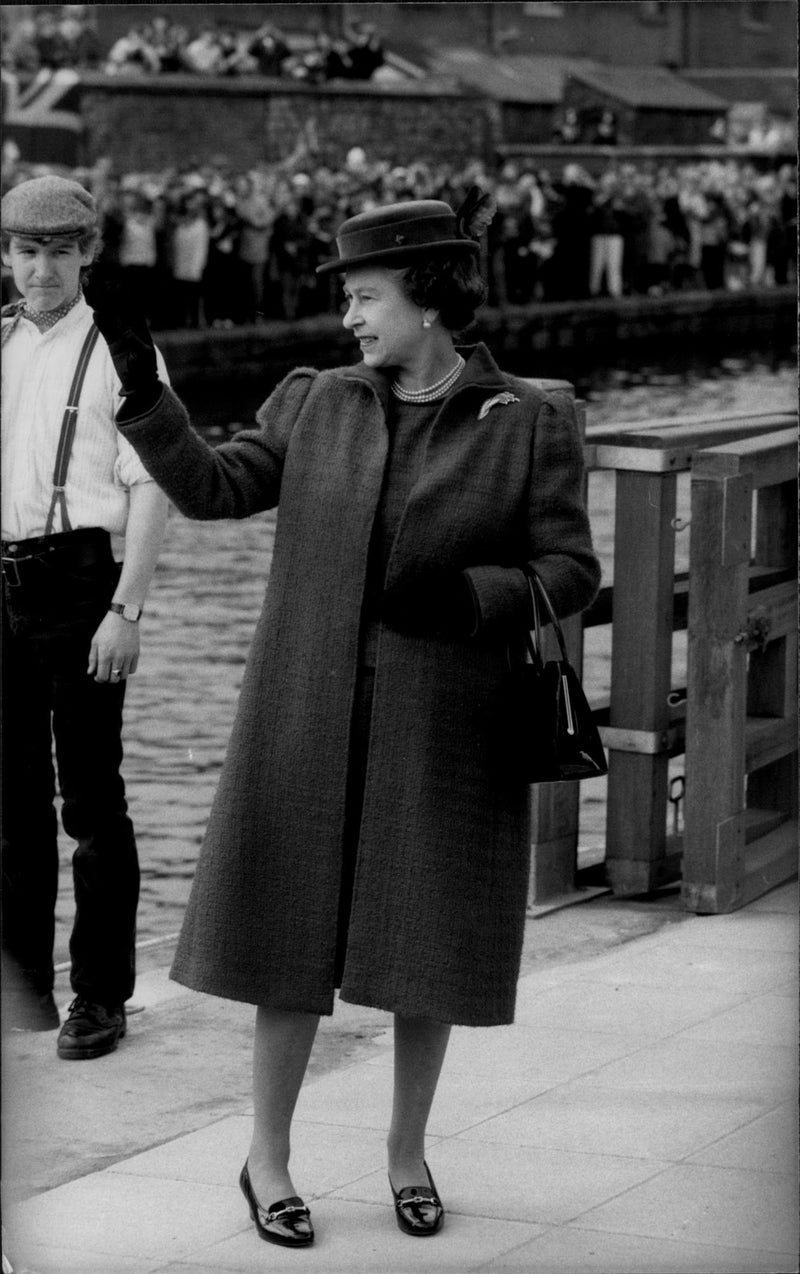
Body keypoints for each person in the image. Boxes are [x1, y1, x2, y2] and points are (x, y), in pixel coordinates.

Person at [99, 195, 600, 1247]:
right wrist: (146, 392)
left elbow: (570, 568)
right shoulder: (318, 400)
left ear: (428, 298)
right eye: (347, 300)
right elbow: (215, 487)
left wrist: (474, 596)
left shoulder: (529, 418)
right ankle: (266, 1156)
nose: (350, 320)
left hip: (445, 719)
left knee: (429, 942)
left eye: (365, 298)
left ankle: (405, 1149)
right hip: (309, 709)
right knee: (288, 933)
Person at [0, 175, 171, 1059]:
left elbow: (153, 489)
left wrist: (126, 610)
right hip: (2, 584)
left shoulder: (124, 347)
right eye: (26, 252)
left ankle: (99, 998)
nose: (40, 271)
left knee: (92, 803)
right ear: (6, 254)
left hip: (81, 584)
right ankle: (20, 991)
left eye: (58, 253)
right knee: (11, 804)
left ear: (88, 255)